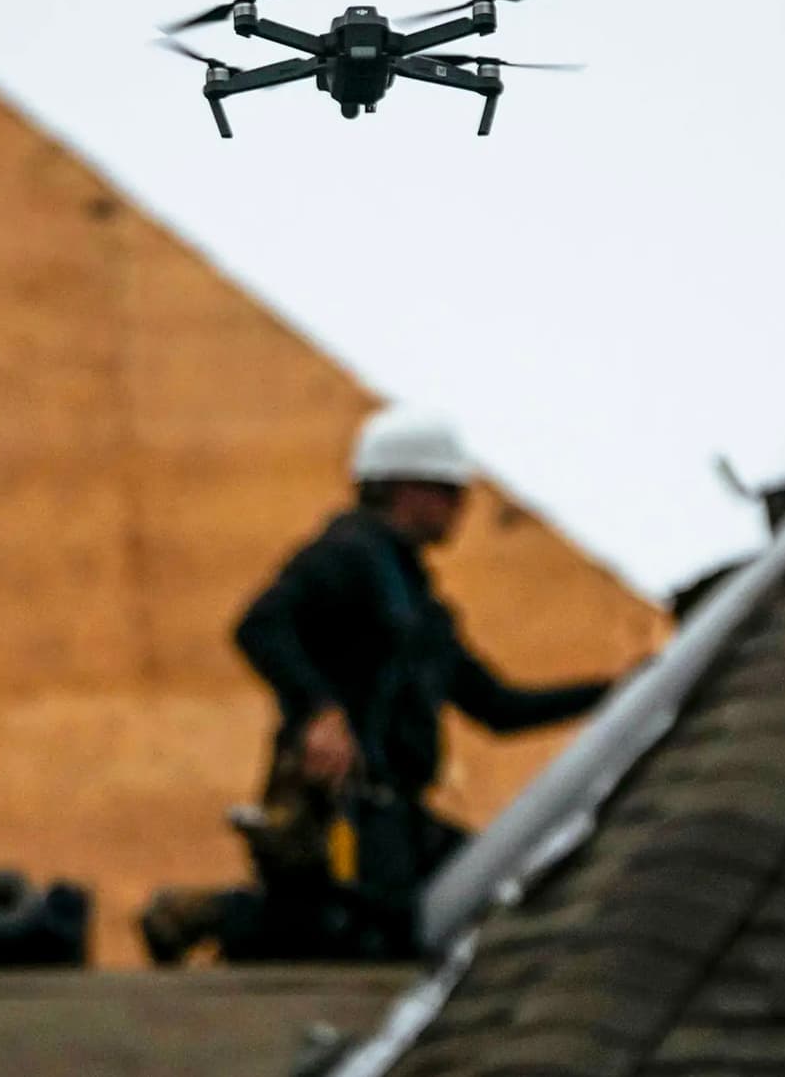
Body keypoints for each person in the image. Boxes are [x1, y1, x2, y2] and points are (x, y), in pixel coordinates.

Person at [140, 405, 615, 965]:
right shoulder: (347, 556)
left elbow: (496, 707)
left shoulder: (417, 600)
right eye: (448, 490)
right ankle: (207, 914)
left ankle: (226, 918)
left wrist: (621, 693)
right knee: (360, 935)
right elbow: (260, 625)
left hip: (396, 813)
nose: (461, 507)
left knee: (481, 889)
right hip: (343, 807)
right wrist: (318, 713)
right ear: (402, 487)